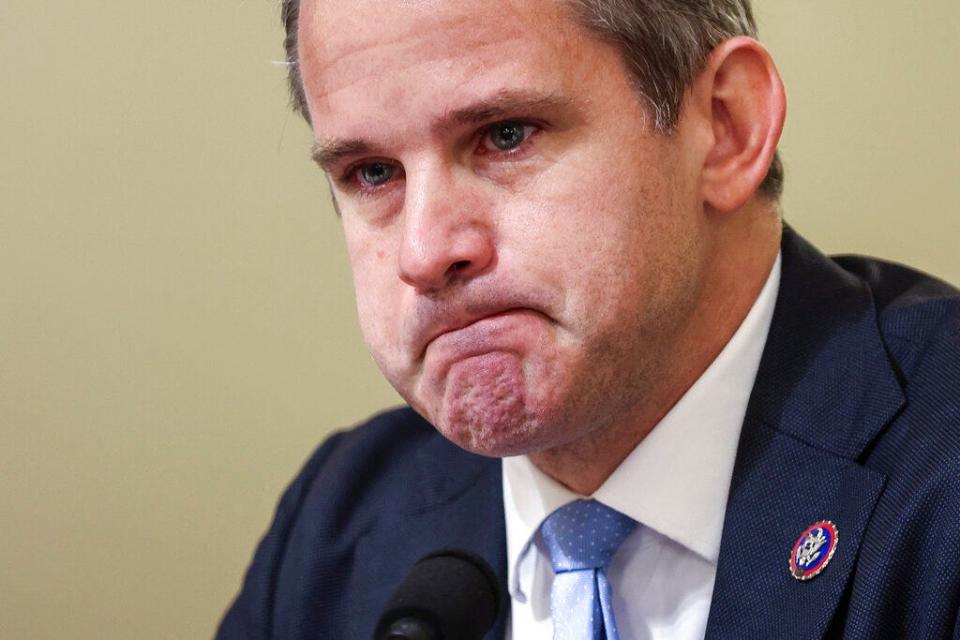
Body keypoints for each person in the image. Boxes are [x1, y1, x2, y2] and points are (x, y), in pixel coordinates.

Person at [218, 0, 960, 638]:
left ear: (726, 128)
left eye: (505, 134)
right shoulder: (336, 531)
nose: (426, 251)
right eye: (371, 173)